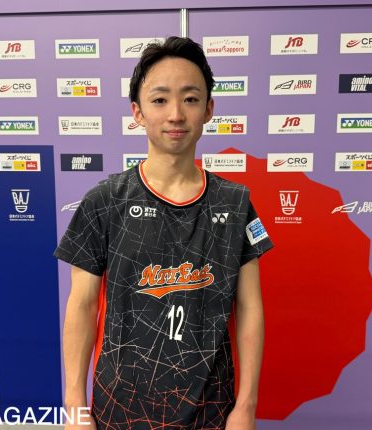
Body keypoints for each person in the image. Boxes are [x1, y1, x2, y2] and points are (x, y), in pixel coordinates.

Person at [55, 36, 273, 430]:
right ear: (137, 112)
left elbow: (250, 308)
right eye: (160, 100)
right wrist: (74, 404)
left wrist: (246, 405)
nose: (175, 114)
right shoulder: (104, 201)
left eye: (190, 99)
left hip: (211, 410)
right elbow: (82, 306)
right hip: (120, 409)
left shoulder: (235, 203)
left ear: (208, 110)